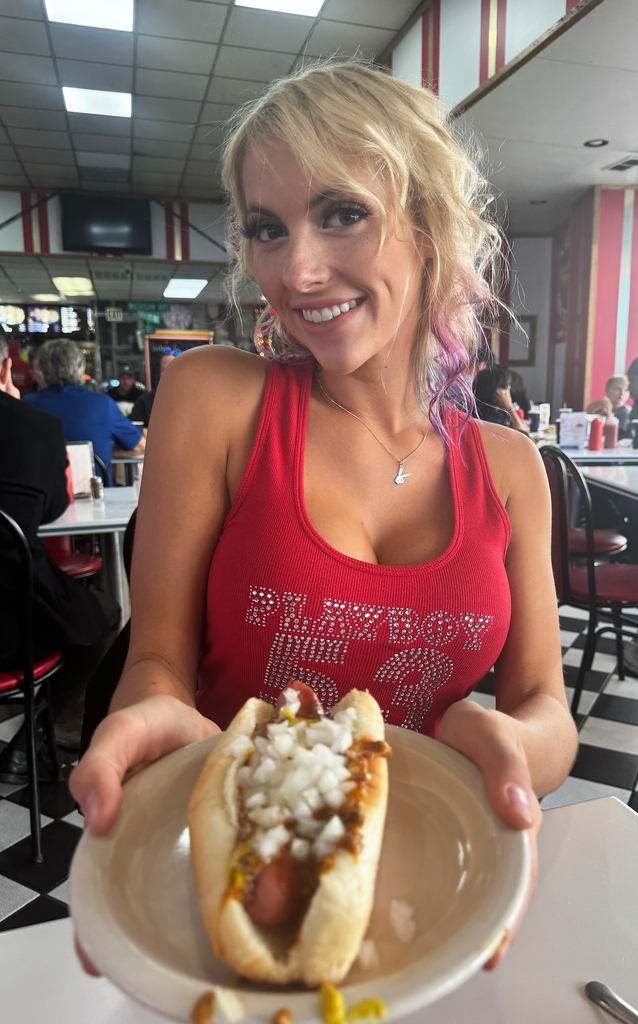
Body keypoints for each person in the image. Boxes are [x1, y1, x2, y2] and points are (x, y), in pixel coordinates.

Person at [70, 61, 576, 972]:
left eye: (340, 212)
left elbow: (546, 707)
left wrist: (510, 751)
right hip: (228, 898)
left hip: (437, 898)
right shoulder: (213, 398)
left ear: (427, 225)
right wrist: (150, 721)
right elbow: (156, 662)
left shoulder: (509, 468)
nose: (295, 270)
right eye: (267, 229)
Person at [0, 337, 114, 780]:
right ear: (8, 368)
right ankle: (43, 736)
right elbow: (50, 510)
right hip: (12, 633)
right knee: (103, 613)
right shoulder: (34, 425)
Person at [22, 340, 145, 477]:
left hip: (45, 494)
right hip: (96, 492)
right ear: (81, 368)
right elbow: (140, 447)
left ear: (43, 369)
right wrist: (100, 451)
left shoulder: (26, 406)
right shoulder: (102, 403)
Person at [130, 352, 176, 429]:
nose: (168, 373)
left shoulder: (195, 401)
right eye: (164, 370)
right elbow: (134, 429)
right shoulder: (144, 401)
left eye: (174, 369)